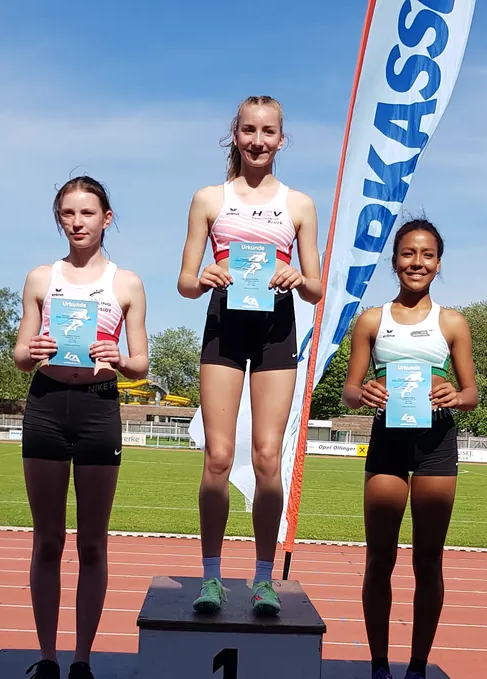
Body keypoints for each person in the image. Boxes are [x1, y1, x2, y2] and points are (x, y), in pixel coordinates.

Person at [178, 95, 323, 616]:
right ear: (234, 135)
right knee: (217, 456)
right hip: (224, 327)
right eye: (248, 131)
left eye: (268, 132)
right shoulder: (208, 199)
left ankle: (263, 580)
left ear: (282, 139)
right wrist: (205, 277)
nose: (257, 141)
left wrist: (297, 277)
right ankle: (211, 578)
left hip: (275, 331)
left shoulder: (299, 204)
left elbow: (315, 288)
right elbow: (185, 282)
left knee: (266, 456)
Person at [11, 175, 149, 679]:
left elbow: (141, 362)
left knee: (93, 544)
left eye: (87, 213)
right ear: (58, 219)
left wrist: (119, 358)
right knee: (47, 542)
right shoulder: (41, 278)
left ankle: (83, 663)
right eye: (67, 213)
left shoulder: (126, 283)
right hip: (47, 406)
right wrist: (34, 350)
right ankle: (47, 661)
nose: (77, 222)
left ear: (106, 218)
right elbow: (20, 354)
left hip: (97, 410)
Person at [342, 219, 478, 679]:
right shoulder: (372, 320)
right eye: (407, 253)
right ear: (394, 260)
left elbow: (472, 393)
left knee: (428, 561)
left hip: (436, 446)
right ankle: (379, 669)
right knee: (379, 560)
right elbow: (350, 391)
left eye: (427, 255)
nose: (417, 263)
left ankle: (417, 671)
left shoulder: (452, 323)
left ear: (438, 264)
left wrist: (455, 395)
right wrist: (365, 392)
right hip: (388, 446)